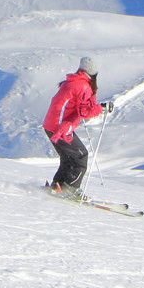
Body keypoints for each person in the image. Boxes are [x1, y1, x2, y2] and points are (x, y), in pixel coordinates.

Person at [43, 57, 106, 196]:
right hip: (60, 128)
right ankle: (70, 189)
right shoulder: (83, 86)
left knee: (68, 158)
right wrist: (100, 108)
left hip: (51, 124)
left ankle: (58, 186)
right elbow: (84, 111)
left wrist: (97, 106)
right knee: (81, 156)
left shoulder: (73, 81)